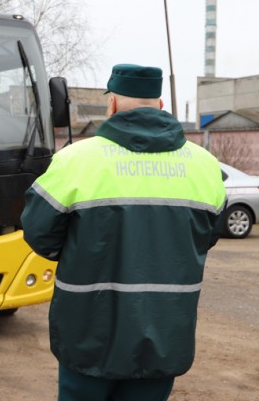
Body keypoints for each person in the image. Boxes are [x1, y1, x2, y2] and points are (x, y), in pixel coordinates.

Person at [20, 64, 227, 401]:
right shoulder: (205, 165)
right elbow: (206, 237)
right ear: (161, 106)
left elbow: (39, 234)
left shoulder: (75, 160)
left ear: (112, 105)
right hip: (164, 337)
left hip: (87, 336)